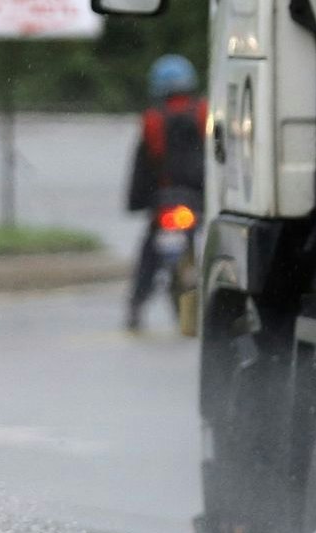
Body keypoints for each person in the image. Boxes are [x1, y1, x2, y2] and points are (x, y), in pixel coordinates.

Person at [124, 53, 207, 331]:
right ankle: (195, 308)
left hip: (164, 202)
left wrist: (137, 202)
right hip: (197, 200)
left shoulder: (153, 119)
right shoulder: (205, 111)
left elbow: (143, 165)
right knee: (200, 248)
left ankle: (137, 304)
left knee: (150, 254)